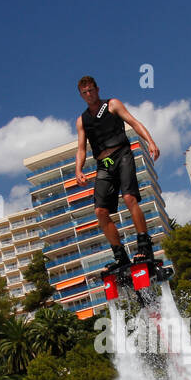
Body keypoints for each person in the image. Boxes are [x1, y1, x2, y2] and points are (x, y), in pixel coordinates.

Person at [73, 76, 161, 268]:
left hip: (122, 154)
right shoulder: (82, 120)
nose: (89, 94)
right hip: (104, 164)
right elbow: (81, 148)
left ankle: (144, 246)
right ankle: (120, 256)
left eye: (91, 90)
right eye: (84, 92)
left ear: (97, 89)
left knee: (129, 198)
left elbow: (134, 122)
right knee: (100, 211)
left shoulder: (112, 104)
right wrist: (78, 169)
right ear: (81, 95)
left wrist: (150, 141)